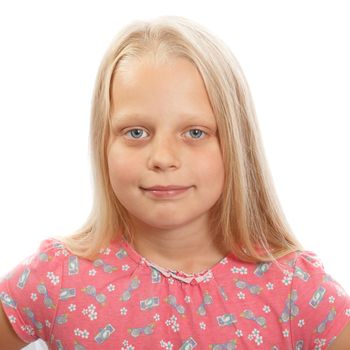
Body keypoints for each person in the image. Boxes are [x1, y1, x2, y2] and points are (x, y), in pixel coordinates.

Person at [1, 15, 349, 350]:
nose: (163, 157)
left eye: (195, 132)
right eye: (136, 132)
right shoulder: (56, 278)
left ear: (235, 143)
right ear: (103, 142)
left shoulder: (293, 289)